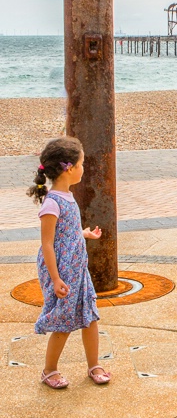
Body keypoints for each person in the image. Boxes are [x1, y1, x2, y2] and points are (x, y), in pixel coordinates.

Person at [27, 136, 111, 389]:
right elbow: (48, 244)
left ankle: (94, 364)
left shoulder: (67, 196)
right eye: (82, 164)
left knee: (90, 317)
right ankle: (49, 370)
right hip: (62, 271)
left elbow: (66, 232)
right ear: (69, 168)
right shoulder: (52, 202)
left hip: (78, 269)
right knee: (63, 322)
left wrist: (83, 234)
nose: (84, 168)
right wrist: (55, 279)